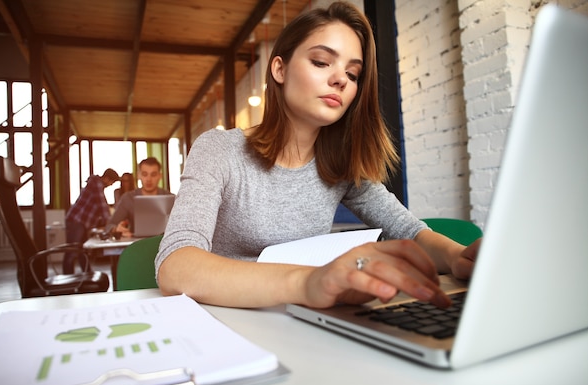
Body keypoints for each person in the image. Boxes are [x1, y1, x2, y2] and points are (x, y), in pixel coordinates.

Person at [155, 2, 481, 309]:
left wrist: (457, 257)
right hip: (229, 326)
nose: (340, 79)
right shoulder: (219, 150)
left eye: (353, 74)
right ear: (279, 70)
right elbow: (176, 266)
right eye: (321, 62)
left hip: (306, 326)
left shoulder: (340, 164)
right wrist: (308, 282)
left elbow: (409, 232)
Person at [63, 168, 119, 274]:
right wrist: (111, 224)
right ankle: (67, 283)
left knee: (82, 251)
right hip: (76, 221)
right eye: (112, 182)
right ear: (107, 178)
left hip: (81, 222)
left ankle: (88, 275)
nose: (111, 185)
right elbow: (102, 206)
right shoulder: (96, 183)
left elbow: (99, 208)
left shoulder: (96, 184)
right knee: (72, 252)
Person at [107, 157, 173, 237]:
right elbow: (109, 225)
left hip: (164, 243)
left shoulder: (171, 198)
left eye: (153, 175)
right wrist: (116, 229)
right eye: (144, 174)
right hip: (136, 243)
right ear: (138, 175)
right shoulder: (128, 198)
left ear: (160, 176)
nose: (149, 179)